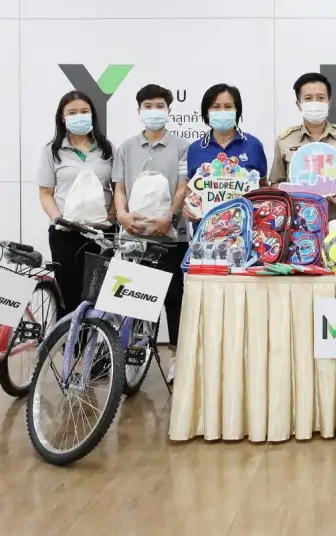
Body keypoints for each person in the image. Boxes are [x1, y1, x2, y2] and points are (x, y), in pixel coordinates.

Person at [111, 84, 189, 362]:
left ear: (168, 110)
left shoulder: (182, 147)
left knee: (174, 300)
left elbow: (183, 187)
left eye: (159, 106)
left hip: (171, 237)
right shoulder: (127, 148)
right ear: (139, 110)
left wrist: (169, 217)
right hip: (133, 237)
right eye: (148, 106)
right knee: (133, 299)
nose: (153, 111)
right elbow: (119, 187)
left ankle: (177, 359)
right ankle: (131, 357)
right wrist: (122, 215)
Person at [37, 90, 116, 319]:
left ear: (92, 115)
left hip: (101, 234)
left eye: (84, 111)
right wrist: (59, 220)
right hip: (65, 235)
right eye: (72, 112)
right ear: (63, 118)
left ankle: (96, 341)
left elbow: (118, 188)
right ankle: (69, 339)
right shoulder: (52, 151)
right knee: (69, 296)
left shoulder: (107, 149)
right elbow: (45, 193)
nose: (78, 116)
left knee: (98, 298)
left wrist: (111, 217)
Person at [267, 72, 336, 220]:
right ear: (299, 104)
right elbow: (275, 184)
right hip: (297, 222)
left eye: (321, 98)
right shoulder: (285, 140)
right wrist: (296, 192)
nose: (315, 103)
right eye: (308, 98)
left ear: (329, 102)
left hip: (335, 221)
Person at [181, 83, 268, 224]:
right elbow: (191, 189)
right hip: (206, 230)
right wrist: (189, 207)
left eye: (228, 107)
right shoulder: (195, 149)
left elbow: (263, 185)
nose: (222, 111)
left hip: (246, 229)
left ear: (237, 111)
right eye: (216, 107)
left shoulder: (253, 145)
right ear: (207, 112)